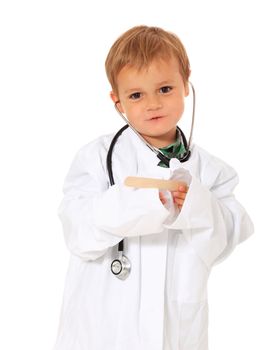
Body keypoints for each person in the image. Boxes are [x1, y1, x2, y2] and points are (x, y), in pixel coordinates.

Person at [53, 25, 254, 350]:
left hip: (176, 331)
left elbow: (225, 239)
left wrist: (194, 203)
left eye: (164, 88)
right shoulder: (97, 159)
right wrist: (148, 202)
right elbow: (79, 233)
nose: (152, 104)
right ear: (117, 101)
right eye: (136, 95)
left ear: (186, 82)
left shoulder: (212, 172)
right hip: (104, 329)